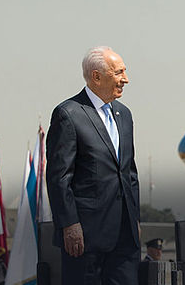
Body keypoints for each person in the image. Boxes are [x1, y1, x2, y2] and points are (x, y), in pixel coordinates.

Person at [47, 46, 141, 285]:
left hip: (124, 238)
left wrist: (135, 220)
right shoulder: (68, 114)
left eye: (125, 72)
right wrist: (69, 225)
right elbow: (59, 178)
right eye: (119, 72)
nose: (126, 79)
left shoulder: (125, 115)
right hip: (85, 238)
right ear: (97, 76)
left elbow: (129, 173)